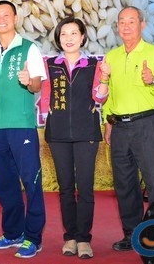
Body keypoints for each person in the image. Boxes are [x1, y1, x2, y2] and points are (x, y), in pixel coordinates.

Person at [102, 6, 154, 252]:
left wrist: (153, 81)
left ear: (142, 25)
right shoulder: (111, 57)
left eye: (131, 21)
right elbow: (109, 94)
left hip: (148, 124)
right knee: (124, 183)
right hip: (119, 127)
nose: (126, 26)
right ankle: (131, 233)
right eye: (122, 22)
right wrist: (108, 122)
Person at [0, 0, 47, 259]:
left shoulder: (29, 48)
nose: (1, 19)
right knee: (4, 183)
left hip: (22, 126)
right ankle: (13, 233)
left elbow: (37, 86)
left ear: (15, 18)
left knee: (31, 182)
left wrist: (29, 80)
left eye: (6, 15)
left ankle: (33, 237)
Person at [44, 16, 110, 259]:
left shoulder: (94, 64)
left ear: (82, 37)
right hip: (58, 134)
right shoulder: (50, 65)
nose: (68, 38)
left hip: (86, 133)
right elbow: (44, 96)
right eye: (64, 34)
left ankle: (83, 239)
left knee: (85, 188)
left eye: (74, 33)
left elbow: (100, 97)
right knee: (65, 188)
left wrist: (105, 78)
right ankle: (70, 237)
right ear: (58, 39)